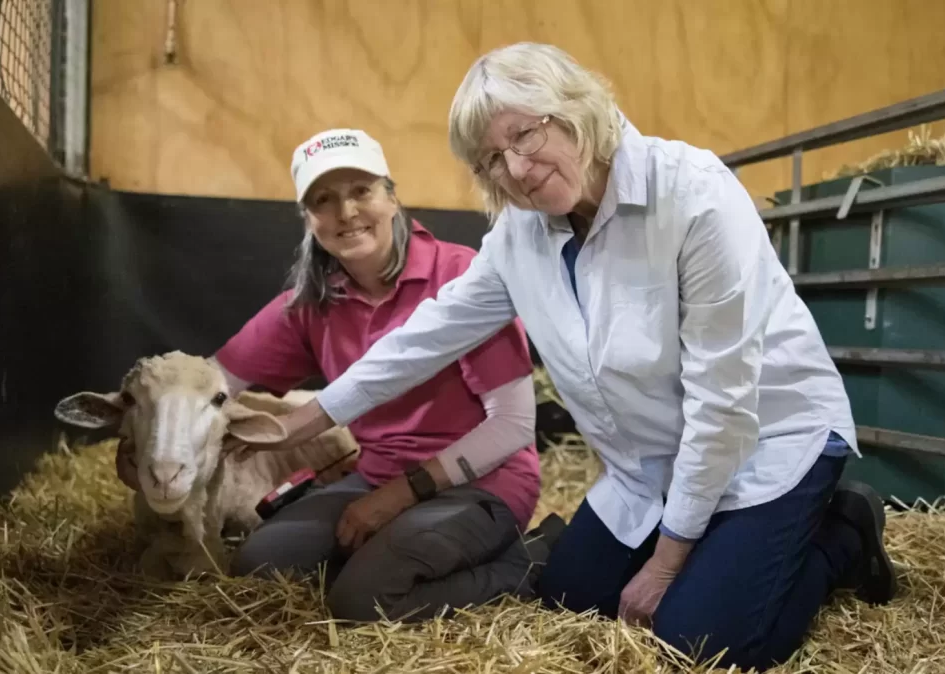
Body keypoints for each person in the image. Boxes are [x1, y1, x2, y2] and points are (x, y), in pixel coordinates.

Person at [255, 43, 898, 671]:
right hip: (654, 465)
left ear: (575, 110)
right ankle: (732, 552)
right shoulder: (518, 234)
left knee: (699, 642)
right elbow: (428, 334)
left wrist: (668, 562)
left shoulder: (693, 195)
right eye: (491, 161)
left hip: (765, 440)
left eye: (525, 136)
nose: (515, 169)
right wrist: (302, 422)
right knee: (572, 599)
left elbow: (723, 400)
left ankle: (841, 534)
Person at [114, 127, 562, 622]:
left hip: (484, 482)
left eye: (361, 191)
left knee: (363, 600)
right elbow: (205, 383)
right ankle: (405, 553)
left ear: (392, 198)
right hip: (376, 475)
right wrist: (149, 437)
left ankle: (534, 559)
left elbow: (513, 427)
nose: (346, 213)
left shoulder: (462, 278)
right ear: (309, 219)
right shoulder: (313, 301)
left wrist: (398, 496)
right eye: (324, 200)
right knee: (263, 564)